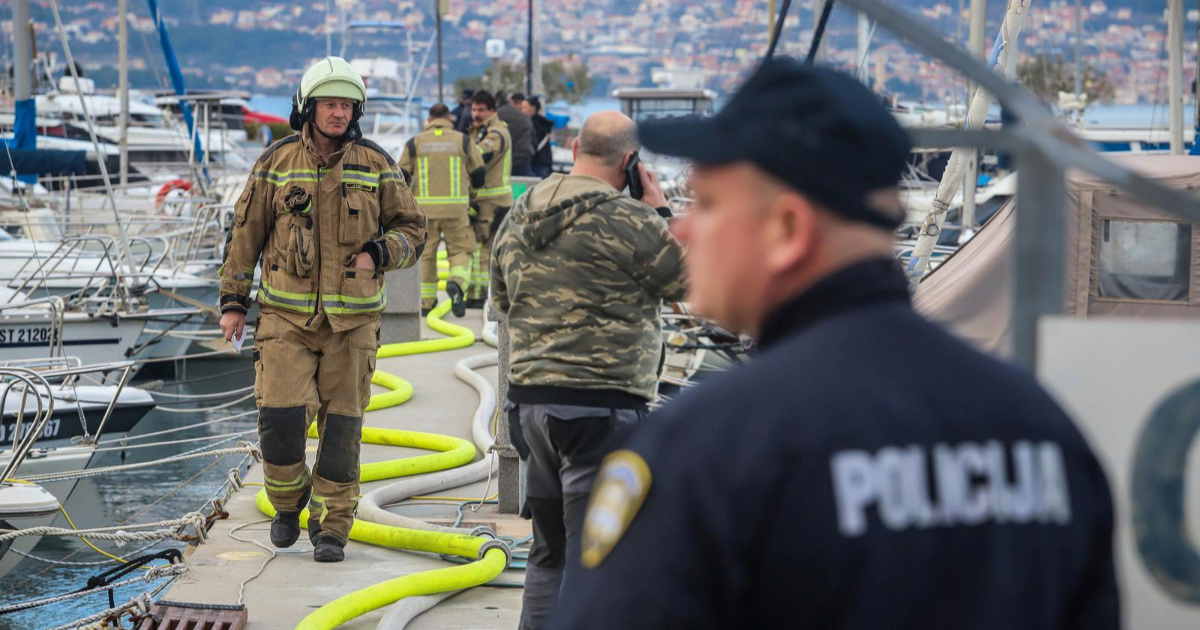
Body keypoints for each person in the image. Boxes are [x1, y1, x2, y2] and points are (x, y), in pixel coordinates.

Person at [551, 59, 1118, 629]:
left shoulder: (709, 449)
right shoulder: (1041, 431)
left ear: (788, 229)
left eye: (710, 204)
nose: (681, 227)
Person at [218, 56, 427, 563]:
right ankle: (287, 504)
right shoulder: (275, 162)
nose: (338, 113)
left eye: (347, 105)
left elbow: (413, 229)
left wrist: (380, 251)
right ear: (307, 108)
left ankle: (332, 527)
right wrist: (233, 303)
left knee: (343, 434)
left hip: (353, 325)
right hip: (284, 320)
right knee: (280, 422)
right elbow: (245, 237)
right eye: (329, 103)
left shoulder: (377, 164)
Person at [491, 110, 686, 630]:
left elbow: (502, 301)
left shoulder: (520, 212)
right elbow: (690, 284)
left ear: (575, 148)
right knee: (599, 558)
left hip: (529, 409)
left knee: (548, 552)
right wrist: (661, 210)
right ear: (630, 162)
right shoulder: (632, 222)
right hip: (601, 411)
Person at [399, 102, 486, 316]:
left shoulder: (415, 142)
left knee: (426, 255)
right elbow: (479, 173)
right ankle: (456, 283)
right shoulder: (463, 141)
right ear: (449, 119)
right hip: (457, 210)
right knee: (461, 251)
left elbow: (401, 175)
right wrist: (472, 195)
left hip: (424, 212)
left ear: (429, 120)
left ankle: (427, 302)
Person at [466, 90, 515, 308]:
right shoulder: (481, 130)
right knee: (485, 248)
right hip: (488, 199)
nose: (476, 114)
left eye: (481, 110)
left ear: (492, 110)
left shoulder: (496, 133)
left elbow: (479, 155)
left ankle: (478, 296)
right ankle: (484, 294)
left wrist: (458, 149)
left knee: (482, 248)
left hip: (492, 200)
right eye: (473, 109)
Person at [497, 91, 536, 177]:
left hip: (505, 157)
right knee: (526, 182)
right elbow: (533, 139)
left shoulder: (497, 114)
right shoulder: (525, 117)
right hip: (523, 157)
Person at [520, 95, 555, 178]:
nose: (521, 110)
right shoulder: (543, 123)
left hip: (537, 162)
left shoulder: (533, 124)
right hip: (543, 161)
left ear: (533, 108)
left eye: (524, 107)